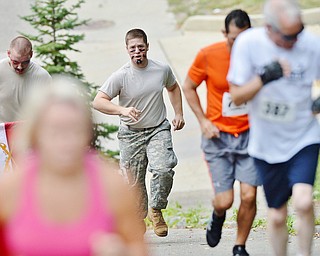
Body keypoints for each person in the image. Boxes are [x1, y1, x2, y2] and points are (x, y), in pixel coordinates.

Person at [0, 77, 148, 256]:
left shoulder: (112, 185)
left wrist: (121, 252)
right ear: (35, 133)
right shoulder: (10, 188)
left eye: (75, 129)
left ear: (87, 133)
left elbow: (138, 247)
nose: (65, 141)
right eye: (54, 130)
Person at [228, 0, 320, 255]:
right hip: (266, 142)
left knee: (302, 201)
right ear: (269, 28)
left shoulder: (311, 45)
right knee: (277, 215)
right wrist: (264, 77)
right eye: (287, 36)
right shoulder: (248, 44)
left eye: (298, 33)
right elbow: (236, 96)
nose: (294, 41)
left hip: (304, 135)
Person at [93, 28, 185, 237]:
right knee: (133, 182)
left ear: (147, 47)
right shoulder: (121, 76)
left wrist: (178, 113)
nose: (137, 52)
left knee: (163, 169)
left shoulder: (161, 70)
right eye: (133, 48)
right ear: (127, 50)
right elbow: (98, 101)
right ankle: (137, 218)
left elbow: (173, 87)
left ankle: (156, 208)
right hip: (130, 134)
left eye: (141, 47)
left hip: (157, 129)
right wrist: (122, 110)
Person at [183, 10, 259, 256]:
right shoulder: (208, 55)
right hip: (218, 138)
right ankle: (217, 215)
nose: (239, 45)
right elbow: (188, 86)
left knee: (248, 196)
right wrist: (203, 121)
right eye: (234, 39)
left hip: (249, 135)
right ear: (224, 33)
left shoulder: (259, 56)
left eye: (244, 39)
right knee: (225, 200)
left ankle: (239, 246)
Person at [0, 36, 51, 123]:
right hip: (2, 131)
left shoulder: (42, 77)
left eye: (25, 62)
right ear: (9, 53)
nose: (20, 67)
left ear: (31, 55)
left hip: (28, 132)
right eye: (15, 62)